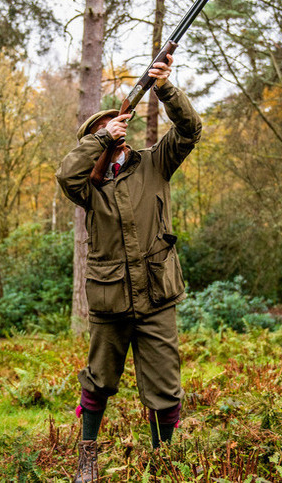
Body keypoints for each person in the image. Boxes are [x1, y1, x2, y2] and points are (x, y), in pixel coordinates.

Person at [56, 55, 202, 482]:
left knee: (164, 388)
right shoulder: (88, 186)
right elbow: (66, 176)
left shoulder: (156, 163)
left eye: (117, 127)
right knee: (98, 381)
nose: (118, 132)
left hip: (157, 296)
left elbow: (191, 130)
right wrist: (100, 140)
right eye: (107, 129)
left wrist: (165, 89)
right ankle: (88, 459)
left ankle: (163, 462)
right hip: (111, 298)